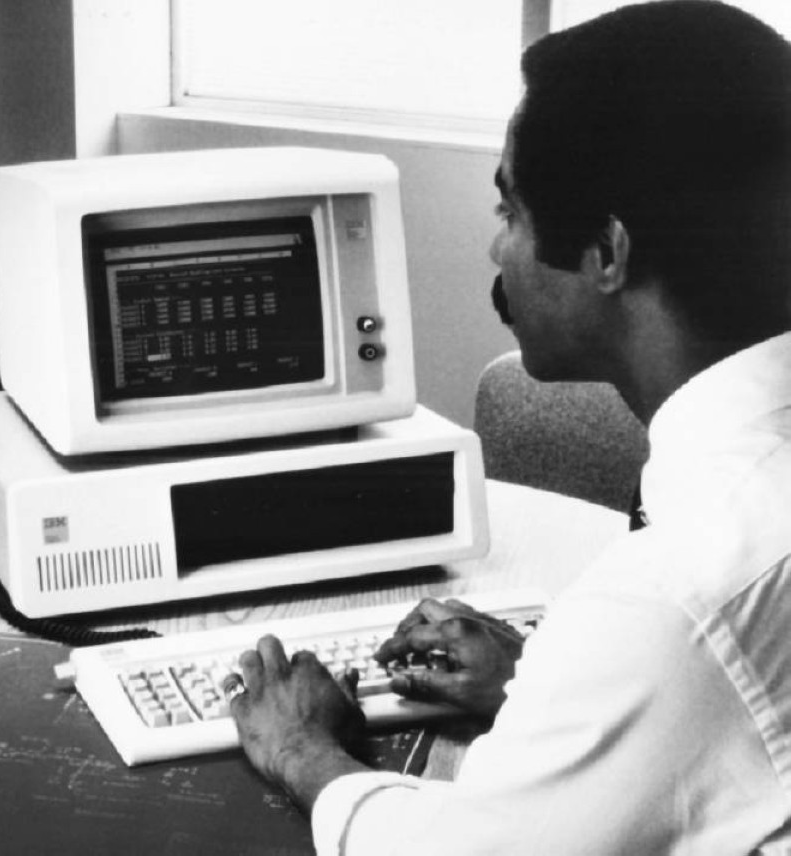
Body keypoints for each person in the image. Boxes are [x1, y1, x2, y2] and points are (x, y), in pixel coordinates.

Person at [226, 2, 791, 853]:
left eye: (510, 212)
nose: (499, 253)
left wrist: (302, 751)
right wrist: (564, 690)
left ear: (607, 253)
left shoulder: (674, 595)